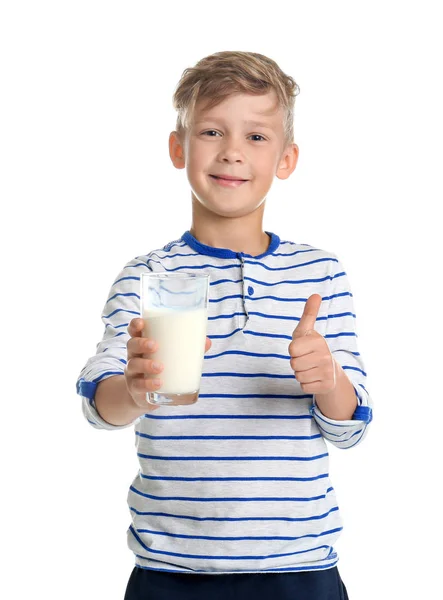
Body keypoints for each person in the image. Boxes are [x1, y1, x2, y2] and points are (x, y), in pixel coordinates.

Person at [76, 50, 373, 600]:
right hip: (169, 573)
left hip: (299, 571)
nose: (232, 151)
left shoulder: (320, 274)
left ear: (286, 159)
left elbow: (351, 426)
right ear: (178, 148)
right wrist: (137, 390)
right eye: (212, 131)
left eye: (256, 137)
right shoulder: (147, 276)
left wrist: (328, 379)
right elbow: (99, 405)